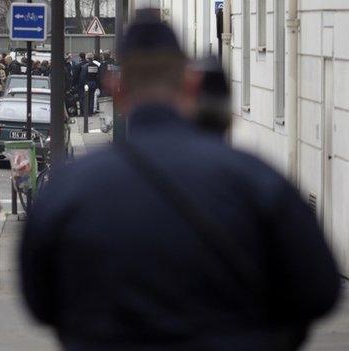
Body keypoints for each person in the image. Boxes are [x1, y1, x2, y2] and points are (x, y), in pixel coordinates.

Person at [21, 13, 340, 351]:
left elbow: (41, 303)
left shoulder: (68, 190)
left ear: (116, 88)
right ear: (191, 83)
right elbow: (320, 291)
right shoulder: (255, 180)